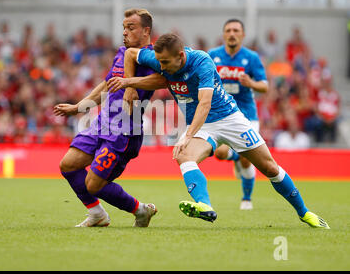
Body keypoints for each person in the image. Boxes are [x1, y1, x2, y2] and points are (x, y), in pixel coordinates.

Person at [107, 33, 329, 229]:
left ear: (181, 56)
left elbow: (205, 104)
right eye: (159, 62)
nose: (161, 68)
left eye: (165, 62)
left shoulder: (202, 61)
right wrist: (130, 86)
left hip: (229, 118)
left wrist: (188, 135)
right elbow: (129, 54)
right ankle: (204, 204)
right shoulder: (159, 58)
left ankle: (304, 213)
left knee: (270, 167)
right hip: (203, 125)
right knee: (183, 155)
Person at [53, 8, 158, 227]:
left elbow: (159, 82)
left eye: (131, 28)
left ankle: (140, 210)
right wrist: (80, 106)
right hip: (102, 123)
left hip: (124, 131)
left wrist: (131, 84)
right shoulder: (121, 52)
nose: (125, 32)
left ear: (146, 30)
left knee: (93, 184)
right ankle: (97, 214)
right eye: (124, 28)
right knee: (68, 165)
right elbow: (107, 84)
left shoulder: (152, 58)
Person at [207, 19, 268, 210]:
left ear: (242, 34)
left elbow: (264, 86)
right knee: (219, 154)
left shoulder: (251, 58)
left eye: (236, 30)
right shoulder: (212, 56)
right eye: (228, 30)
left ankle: (246, 199)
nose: (232, 33)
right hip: (220, 114)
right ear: (223, 34)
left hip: (246, 114)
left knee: (247, 157)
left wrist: (251, 83)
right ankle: (236, 157)